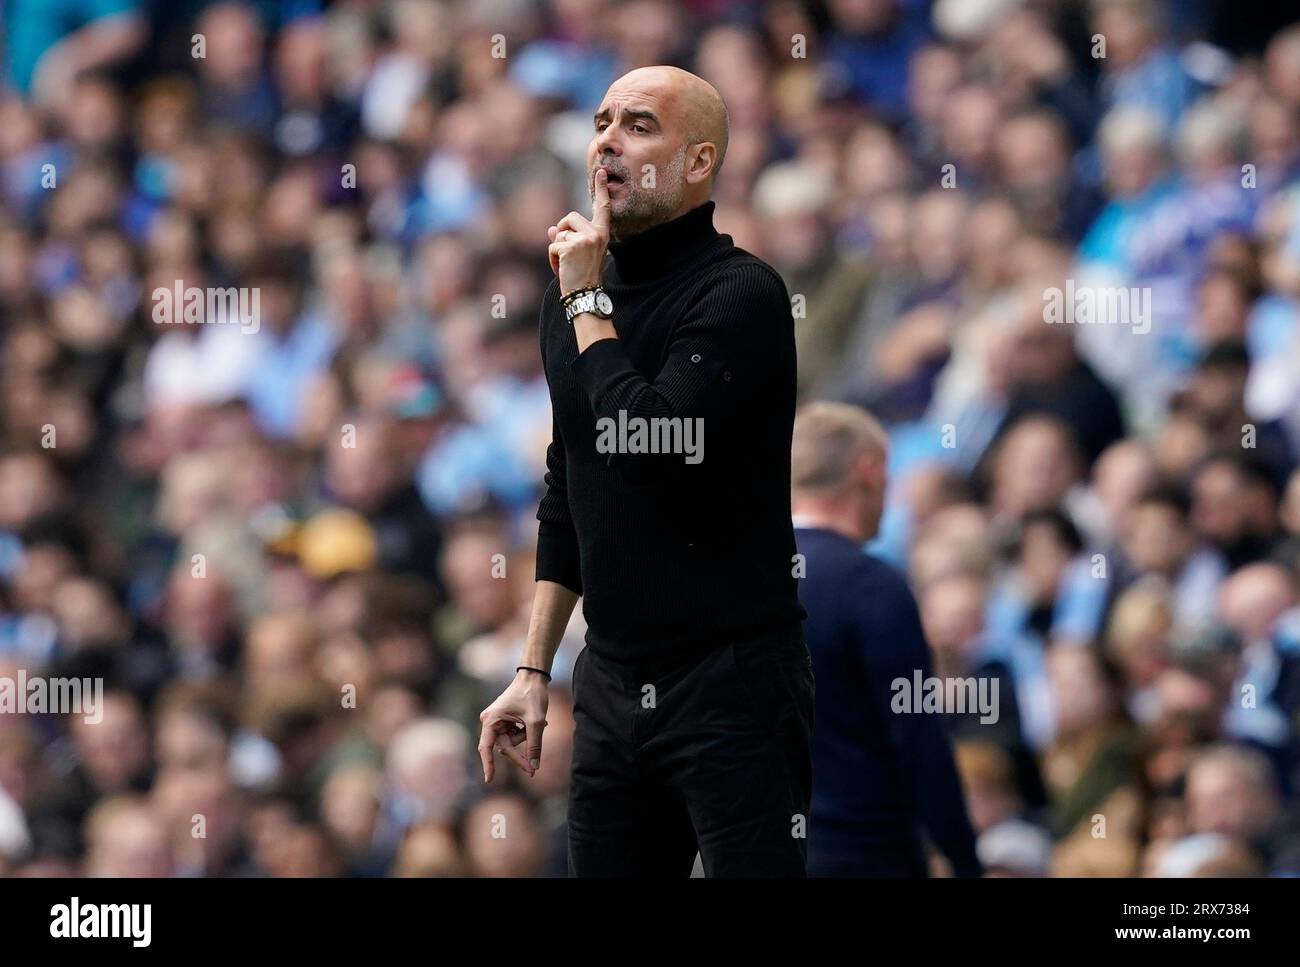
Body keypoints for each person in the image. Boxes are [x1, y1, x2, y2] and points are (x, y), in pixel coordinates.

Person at [475, 66, 813, 877]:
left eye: (638, 125)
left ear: (698, 162)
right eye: (600, 122)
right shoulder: (576, 299)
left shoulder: (740, 294)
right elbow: (570, 494)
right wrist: (532, 669)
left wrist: (587, 304)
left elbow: (649, 442)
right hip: (612, 683)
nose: (606, 143)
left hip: (732, 681)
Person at [790, 402, 981, 877]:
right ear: (869, 470)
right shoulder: (870, 584)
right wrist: (962, 857)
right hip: (865, 852)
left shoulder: (735, 578)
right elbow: (917, 734)